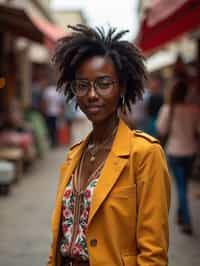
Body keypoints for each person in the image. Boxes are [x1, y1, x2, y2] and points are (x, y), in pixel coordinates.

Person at [47, 25, 171, 266]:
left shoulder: (144, 154)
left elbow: (153, 254)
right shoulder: (74, 156)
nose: (92, 94)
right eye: (82, 85)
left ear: (122, 87)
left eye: (104, 83)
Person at [156, 79, 200, 235]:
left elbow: (160, 129)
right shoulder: (194, 109)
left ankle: (186, 221)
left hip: (174, 152)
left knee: (181, 187)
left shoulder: (168, 109)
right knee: (184, 184)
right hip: (191, 152)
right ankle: (181, 215)